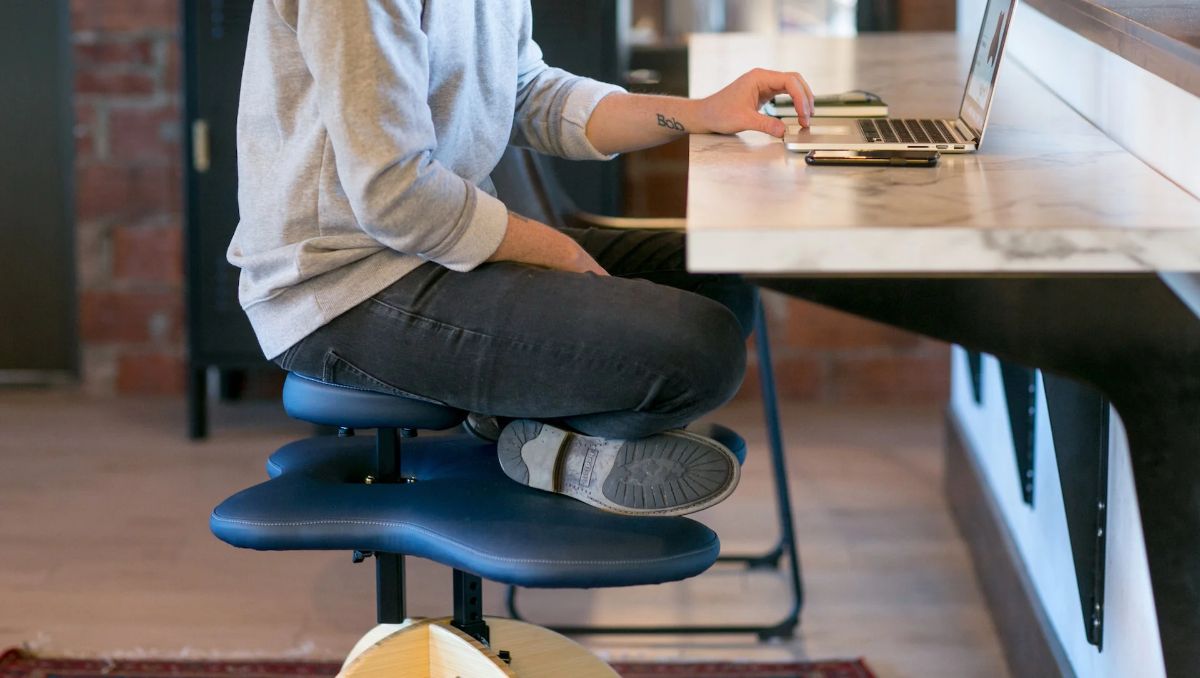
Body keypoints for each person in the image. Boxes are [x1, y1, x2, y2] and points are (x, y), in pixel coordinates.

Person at [228, 0, 815, 517]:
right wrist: (559, 253)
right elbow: (394, 194)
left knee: (719, 281)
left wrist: (701, 113)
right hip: (346, 286)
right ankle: (545, 444)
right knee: (698, 349)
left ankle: (522, 421)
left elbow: (526, 91)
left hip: (433, 249)